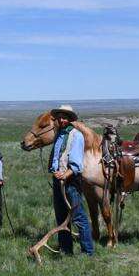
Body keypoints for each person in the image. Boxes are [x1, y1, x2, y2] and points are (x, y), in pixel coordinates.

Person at [48, 104, 94, 256]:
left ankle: (87, 252)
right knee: (61, 217)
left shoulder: (76, 135)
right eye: (60, 117)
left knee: (78, 216)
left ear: (70, 119)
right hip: (58, 181)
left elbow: (76, 162)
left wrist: (65, 174)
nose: (61, 120)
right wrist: (54, 171)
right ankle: (66, 250)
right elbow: (56, 158)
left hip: (71, 182)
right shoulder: (59, 135)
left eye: (65, 117)